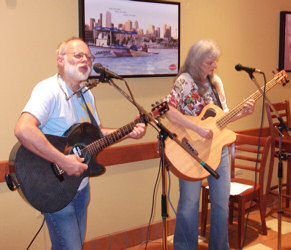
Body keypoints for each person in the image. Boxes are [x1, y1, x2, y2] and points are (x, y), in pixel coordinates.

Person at [14, 37, 146, 250]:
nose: (85, 60)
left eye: (88, 56)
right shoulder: (48, 90)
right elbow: (23, 129)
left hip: (80, 187)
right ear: (60, 60)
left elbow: (97, 134)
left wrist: (128, 132)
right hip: (52, 186)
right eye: (78, 56)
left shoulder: (86, 94)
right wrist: (63, 161)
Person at [165, 39, 255, 250]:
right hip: (191, 150)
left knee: (221, 204)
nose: (214, 66)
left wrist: (241, 112)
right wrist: (197, 129)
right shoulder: (184, 81)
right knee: (189, 205)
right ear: (196, 62)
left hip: (219, 149)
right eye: (209, 63)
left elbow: (221, 118)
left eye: (215, 62)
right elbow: (168, 110)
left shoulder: (216, 82)